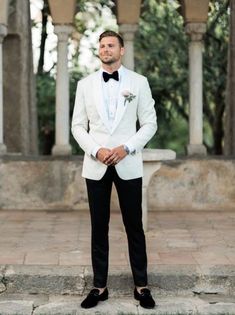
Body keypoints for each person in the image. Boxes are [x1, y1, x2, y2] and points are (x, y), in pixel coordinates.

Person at [71, 30, 157, 309]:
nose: (106, 49)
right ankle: (99, 287)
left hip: (128, 163)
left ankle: (142, 287)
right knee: (99, 227)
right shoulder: (84, 85)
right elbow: (76, 127)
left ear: (122, 50)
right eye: (102, 46)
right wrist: (97, 150)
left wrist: (126, 148)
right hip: (96, 165)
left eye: (111, 45)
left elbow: (149, 124)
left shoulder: (139, 82)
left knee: (134, 227)